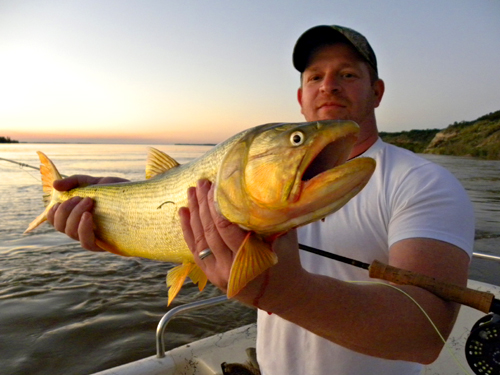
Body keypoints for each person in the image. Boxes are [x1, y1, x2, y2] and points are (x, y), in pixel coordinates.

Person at [48, 25, 475, 375]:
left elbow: (426, 331)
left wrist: (287, 293)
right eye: (314, 77)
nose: (328, 86)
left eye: (347, 74)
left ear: (377, 91)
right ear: (300, 97)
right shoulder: (258, 186)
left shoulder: (423, 182)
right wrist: (112, 200)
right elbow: (183, 197)